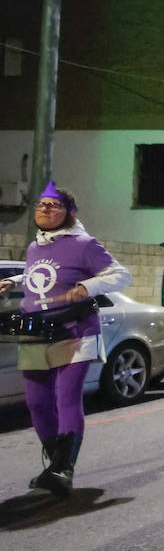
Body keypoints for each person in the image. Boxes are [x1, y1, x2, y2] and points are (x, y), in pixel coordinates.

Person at [0, 181, 131, 495]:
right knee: (36, 402)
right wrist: (15, 279)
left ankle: (63, 468)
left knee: (66, 396)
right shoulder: (35, 246)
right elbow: (45, 273)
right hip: (34, 329)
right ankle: (54, 460)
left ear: (69, 213)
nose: (45, 208)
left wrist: (88, 288)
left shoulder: (83, 243)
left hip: (74, 329)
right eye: (41, 204)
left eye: (54, 205)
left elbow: (121, 275)